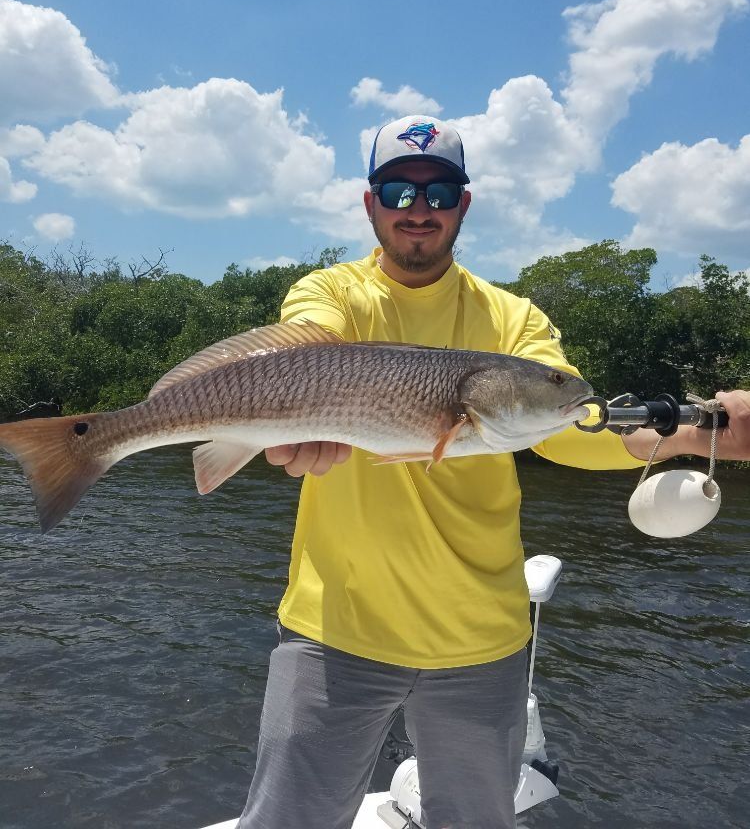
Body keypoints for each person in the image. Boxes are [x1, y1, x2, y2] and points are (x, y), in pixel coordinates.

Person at [237, 116, 750, 829]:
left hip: (482, 641)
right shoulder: (334, 292)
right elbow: (310, 340)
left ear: (464, 206)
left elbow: (576, 425)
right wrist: (293, 398)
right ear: (371, 204)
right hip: (335, 631)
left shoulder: (513, 321)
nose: (419, 211)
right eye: (399, 191)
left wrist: (698, 434)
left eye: (440, 193)